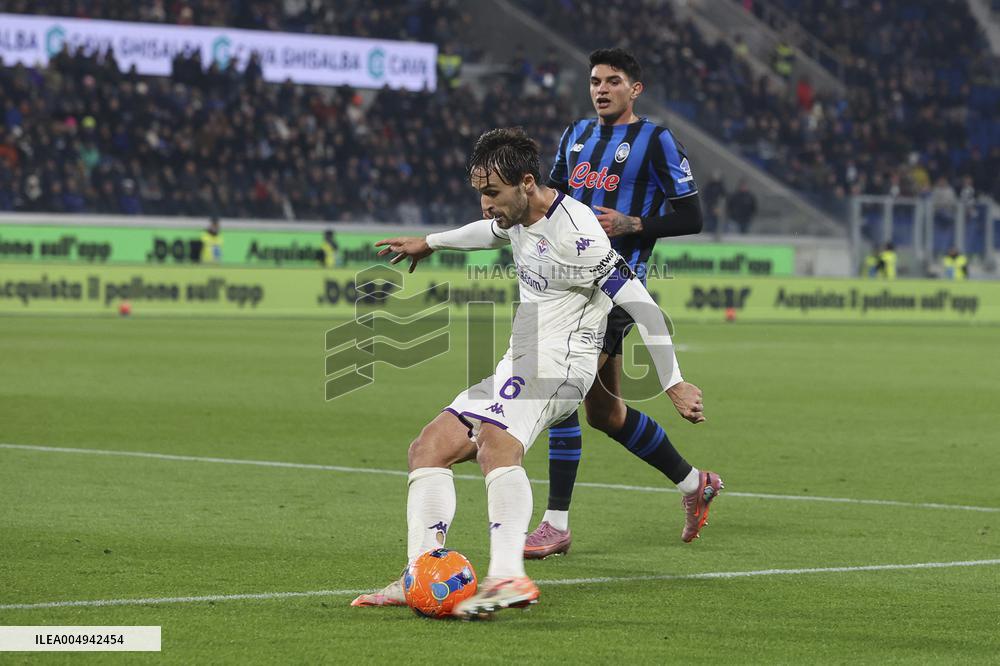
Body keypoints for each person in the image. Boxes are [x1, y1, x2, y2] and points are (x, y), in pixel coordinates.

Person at [351, 127, 706, 619]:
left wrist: (673, 381)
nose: (484, 204)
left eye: (491, 193)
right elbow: (486, 232)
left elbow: (642, 305)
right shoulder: (516, 215)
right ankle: (419, 573)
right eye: (479, 192)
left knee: (497, 442)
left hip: (564, 366)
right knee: (428, 447)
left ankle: (506, 576)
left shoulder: (577, 233)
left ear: (526, 182)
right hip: (520, 362)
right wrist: (430, 243)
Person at [526, 48, 721, 559]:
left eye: (613, 81)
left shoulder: (656, 141)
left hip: (614, 289)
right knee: (604, 413)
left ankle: (555, 524)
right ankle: (694, 483)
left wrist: (634, 224)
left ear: (636, 88)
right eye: (595, 81)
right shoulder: (575, 136)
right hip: (566, 285)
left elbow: (692, 216)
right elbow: (555, 202)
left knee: (562, 389)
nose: (601, 89)